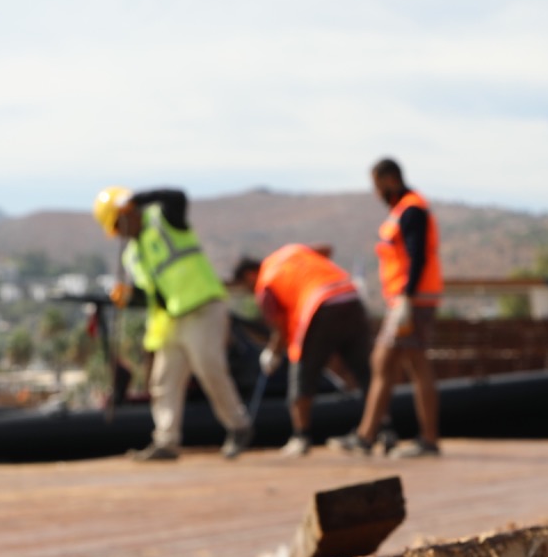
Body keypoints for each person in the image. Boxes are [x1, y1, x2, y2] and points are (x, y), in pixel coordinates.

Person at [93, 185, 254, 461]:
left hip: (202, 307)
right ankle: (166, 441)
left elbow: (177, 195)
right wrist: (129, 296)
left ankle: (239, 427)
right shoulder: (131, 254)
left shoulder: (165, 220)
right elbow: (151, 294)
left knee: (209, 368)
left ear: (129, 212)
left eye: (119, 223)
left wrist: (136, 197)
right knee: (163, 381)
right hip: (170, 320)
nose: (120, 232)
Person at [333, 157, 442, 458]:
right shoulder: (402, 210)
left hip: (412, 301)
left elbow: (417, 255)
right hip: (408, 300)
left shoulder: (411, 210)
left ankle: (419, 439)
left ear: (390, 179)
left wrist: (407, 297)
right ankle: (370, 436)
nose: (376, 192)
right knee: (394, 364)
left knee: (395, 363)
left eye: (378, 185)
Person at [231, 245, 372, 455]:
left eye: (245, 287)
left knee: (301, 375)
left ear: (250, 275)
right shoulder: (291, 252)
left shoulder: (265, 284)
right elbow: (326, 249)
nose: (249, 292)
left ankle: (301, 436)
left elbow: (281, 328)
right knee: (365, 373)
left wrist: (273, 352)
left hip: (319, 306)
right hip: (350, 296)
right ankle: (384, 428)